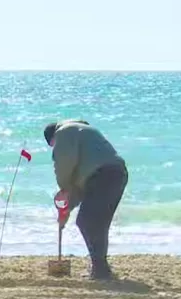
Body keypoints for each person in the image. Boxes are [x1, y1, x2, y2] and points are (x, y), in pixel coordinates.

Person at [44, 119, 128, 280]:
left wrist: (63, 189)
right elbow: (80, 188)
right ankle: (100, 269)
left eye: (54, 147)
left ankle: (101, 270)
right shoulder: (83, 132)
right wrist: (66, 209)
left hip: (102, 176)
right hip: (117, 174)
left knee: (87, 222)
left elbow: (64, 165)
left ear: (52, 139)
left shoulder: (64, 132)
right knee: (96, 223)